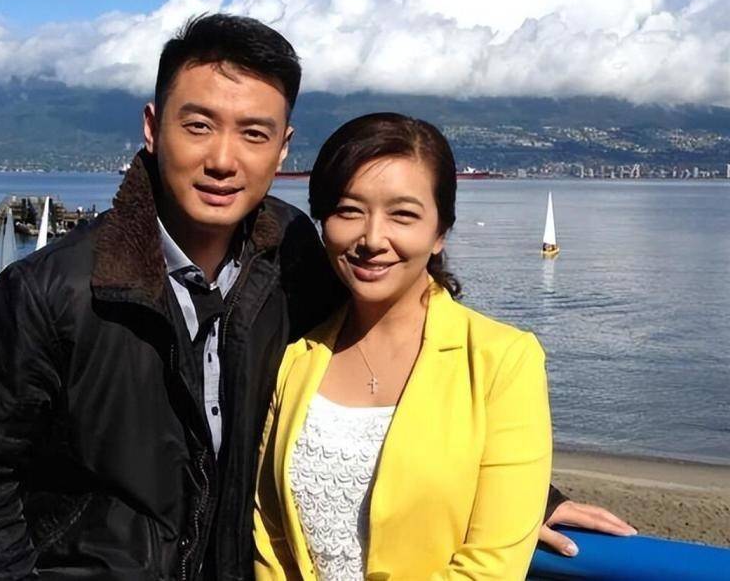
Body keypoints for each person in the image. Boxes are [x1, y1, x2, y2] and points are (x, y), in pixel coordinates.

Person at [0, 15, 632, 580]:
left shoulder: (295, 255)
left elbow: (399, 380)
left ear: (283, 146)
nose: (223, 158)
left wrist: (523, 496)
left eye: (254, 133)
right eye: (198, 124)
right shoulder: (49, 291)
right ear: (151, 127)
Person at [253, 113, 625, 580]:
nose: (373, 238)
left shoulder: (501, 361)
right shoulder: (296, 359)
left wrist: (537, 500)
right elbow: (269, 534)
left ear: (440, 232)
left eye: (403, 215)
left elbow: (490, 567)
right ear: (323, 222)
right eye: (349, 210)